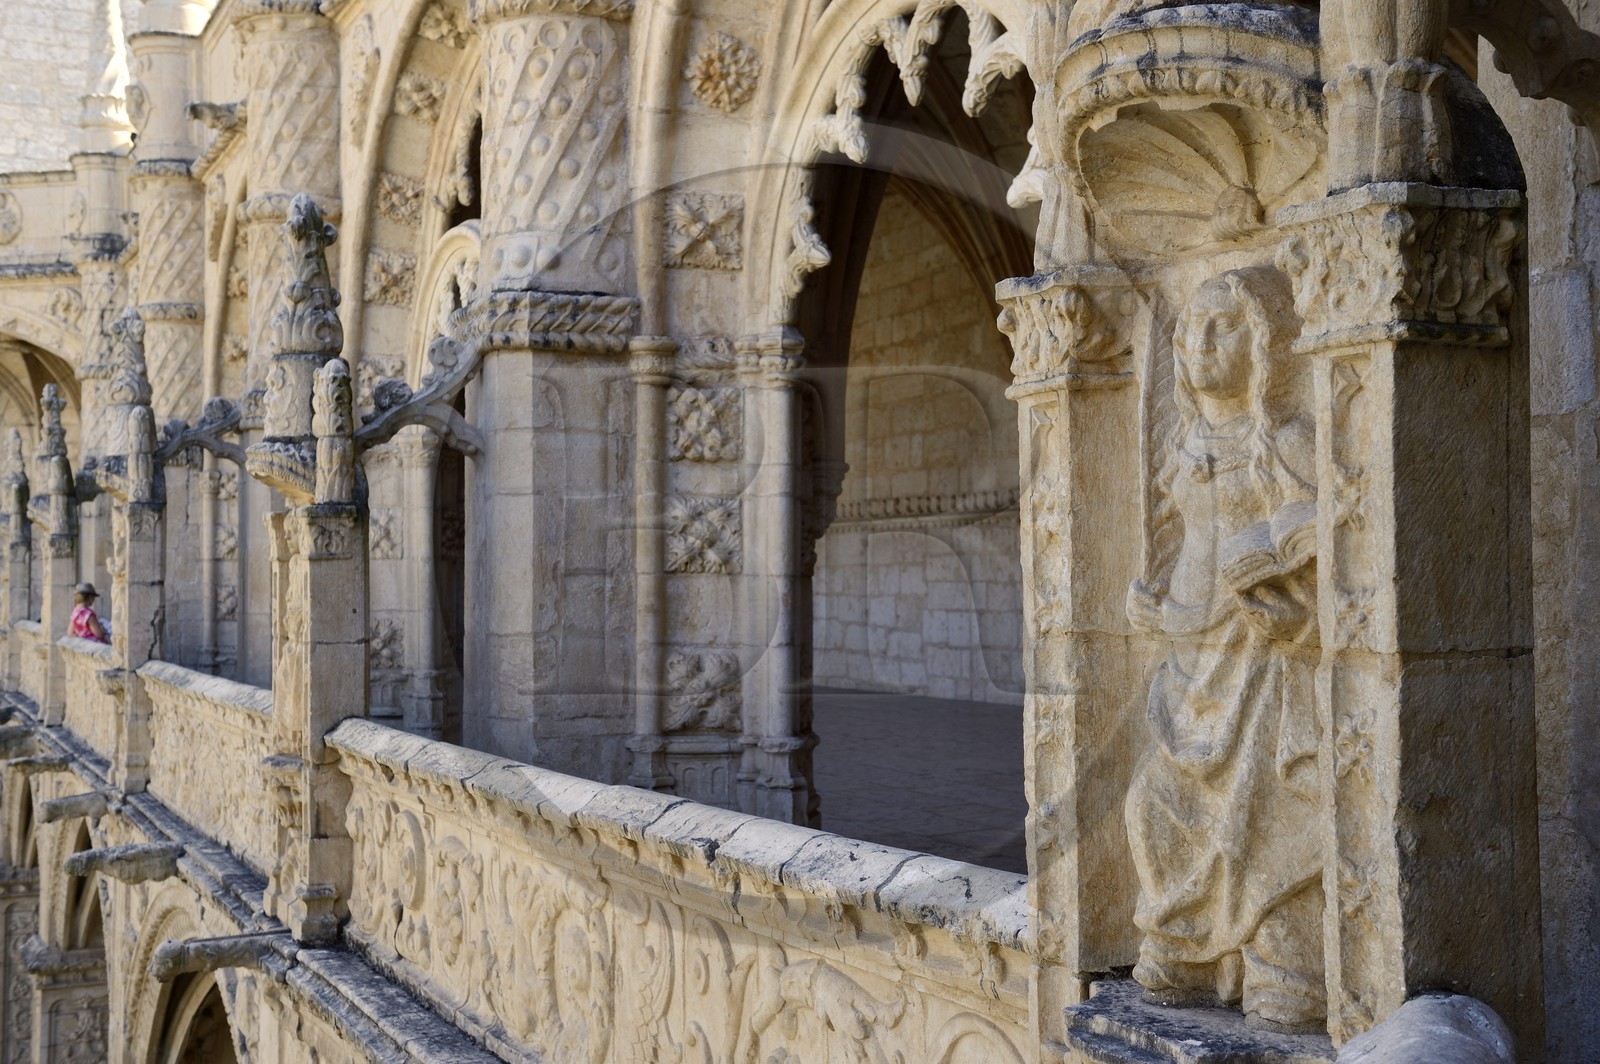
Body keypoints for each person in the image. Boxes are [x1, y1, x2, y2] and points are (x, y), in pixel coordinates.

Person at [1124, 266, 1324, 1033]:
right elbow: (1185, 559)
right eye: (1191, 329)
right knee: (1152, 801)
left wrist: (1297, 612)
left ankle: (1282, 964)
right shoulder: (1180, 447)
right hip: (1193, 671)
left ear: (1264, 339)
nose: (1200, 343)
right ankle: (1185, 943)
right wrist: (1151, 608)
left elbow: (1328, 561)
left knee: (1261, 815)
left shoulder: (1284, 441)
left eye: (1224, 325)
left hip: (1265, 673)